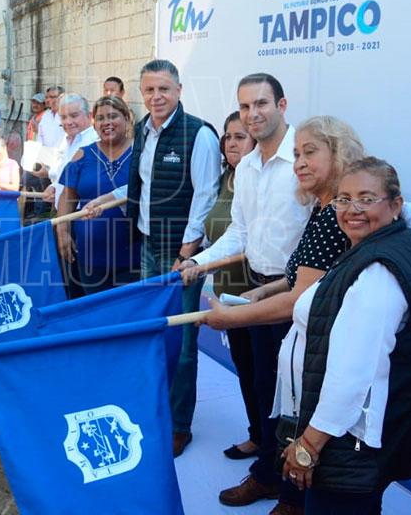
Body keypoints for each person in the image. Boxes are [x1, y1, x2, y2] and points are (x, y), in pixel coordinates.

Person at [200, 115, 365, 513]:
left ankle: (287, 494)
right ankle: (276, 479)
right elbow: (307, 276)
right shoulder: (322, 209)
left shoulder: (334, 216)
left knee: (294, 414)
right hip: (298, 328)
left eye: (310, 153)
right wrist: (264, 290)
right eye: (297, 154)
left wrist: (232, 318)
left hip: (317, 342)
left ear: (338, 154)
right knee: (274, 399)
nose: (300, 163)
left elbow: (300, 299)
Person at [279, 157, 411, 513]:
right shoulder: (377, 247)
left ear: (395, 205)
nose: (353, 210)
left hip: (345, 443)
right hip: (348, 437)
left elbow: (353, 373)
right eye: (344, 199)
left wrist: (309, 445)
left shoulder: (378, 271)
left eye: (367, 199)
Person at [86, 59, 221, 457]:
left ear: (179, 90)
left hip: (181, 255)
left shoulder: (199, 134)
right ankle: (158, 409)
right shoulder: (144, 129)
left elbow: (205, 195)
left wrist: (188, 251)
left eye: (164, 89)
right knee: (156, 334)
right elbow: (139, 186)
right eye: (149, 90)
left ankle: (179, 425)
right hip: (148, 246)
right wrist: (105, 200)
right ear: (141, 93)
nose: (156, 96)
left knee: (183, 343)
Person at [200, 111, 261, 460]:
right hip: (227, 293)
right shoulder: (225, 178)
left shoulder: (260, 181)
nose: (232, 143)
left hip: (257, 295)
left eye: (240, 136)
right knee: (246, 370)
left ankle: (270, 447)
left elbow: (251, 241)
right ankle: (257, 435)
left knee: (262, 374)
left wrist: (203, 263)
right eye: (228, 136)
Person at [56, 95, 138, 295]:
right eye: (100, 118)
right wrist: (62, 231)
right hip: (90, 256)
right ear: (94, 123)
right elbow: (67, 196)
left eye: (113, 116)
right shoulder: (83, 155)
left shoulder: (142, 153)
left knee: (129, 310)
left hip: (134, 255)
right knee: (93, 309)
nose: (106, 122)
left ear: (127, 118)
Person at [42, 94, 99, 209]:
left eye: (74, 116)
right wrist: (55, 186)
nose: (68, 122)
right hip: (64, 211)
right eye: (63, 117)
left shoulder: (95, 142)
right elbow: (65, 174)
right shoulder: (65, 139)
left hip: (83, 212)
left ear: (89, 116)